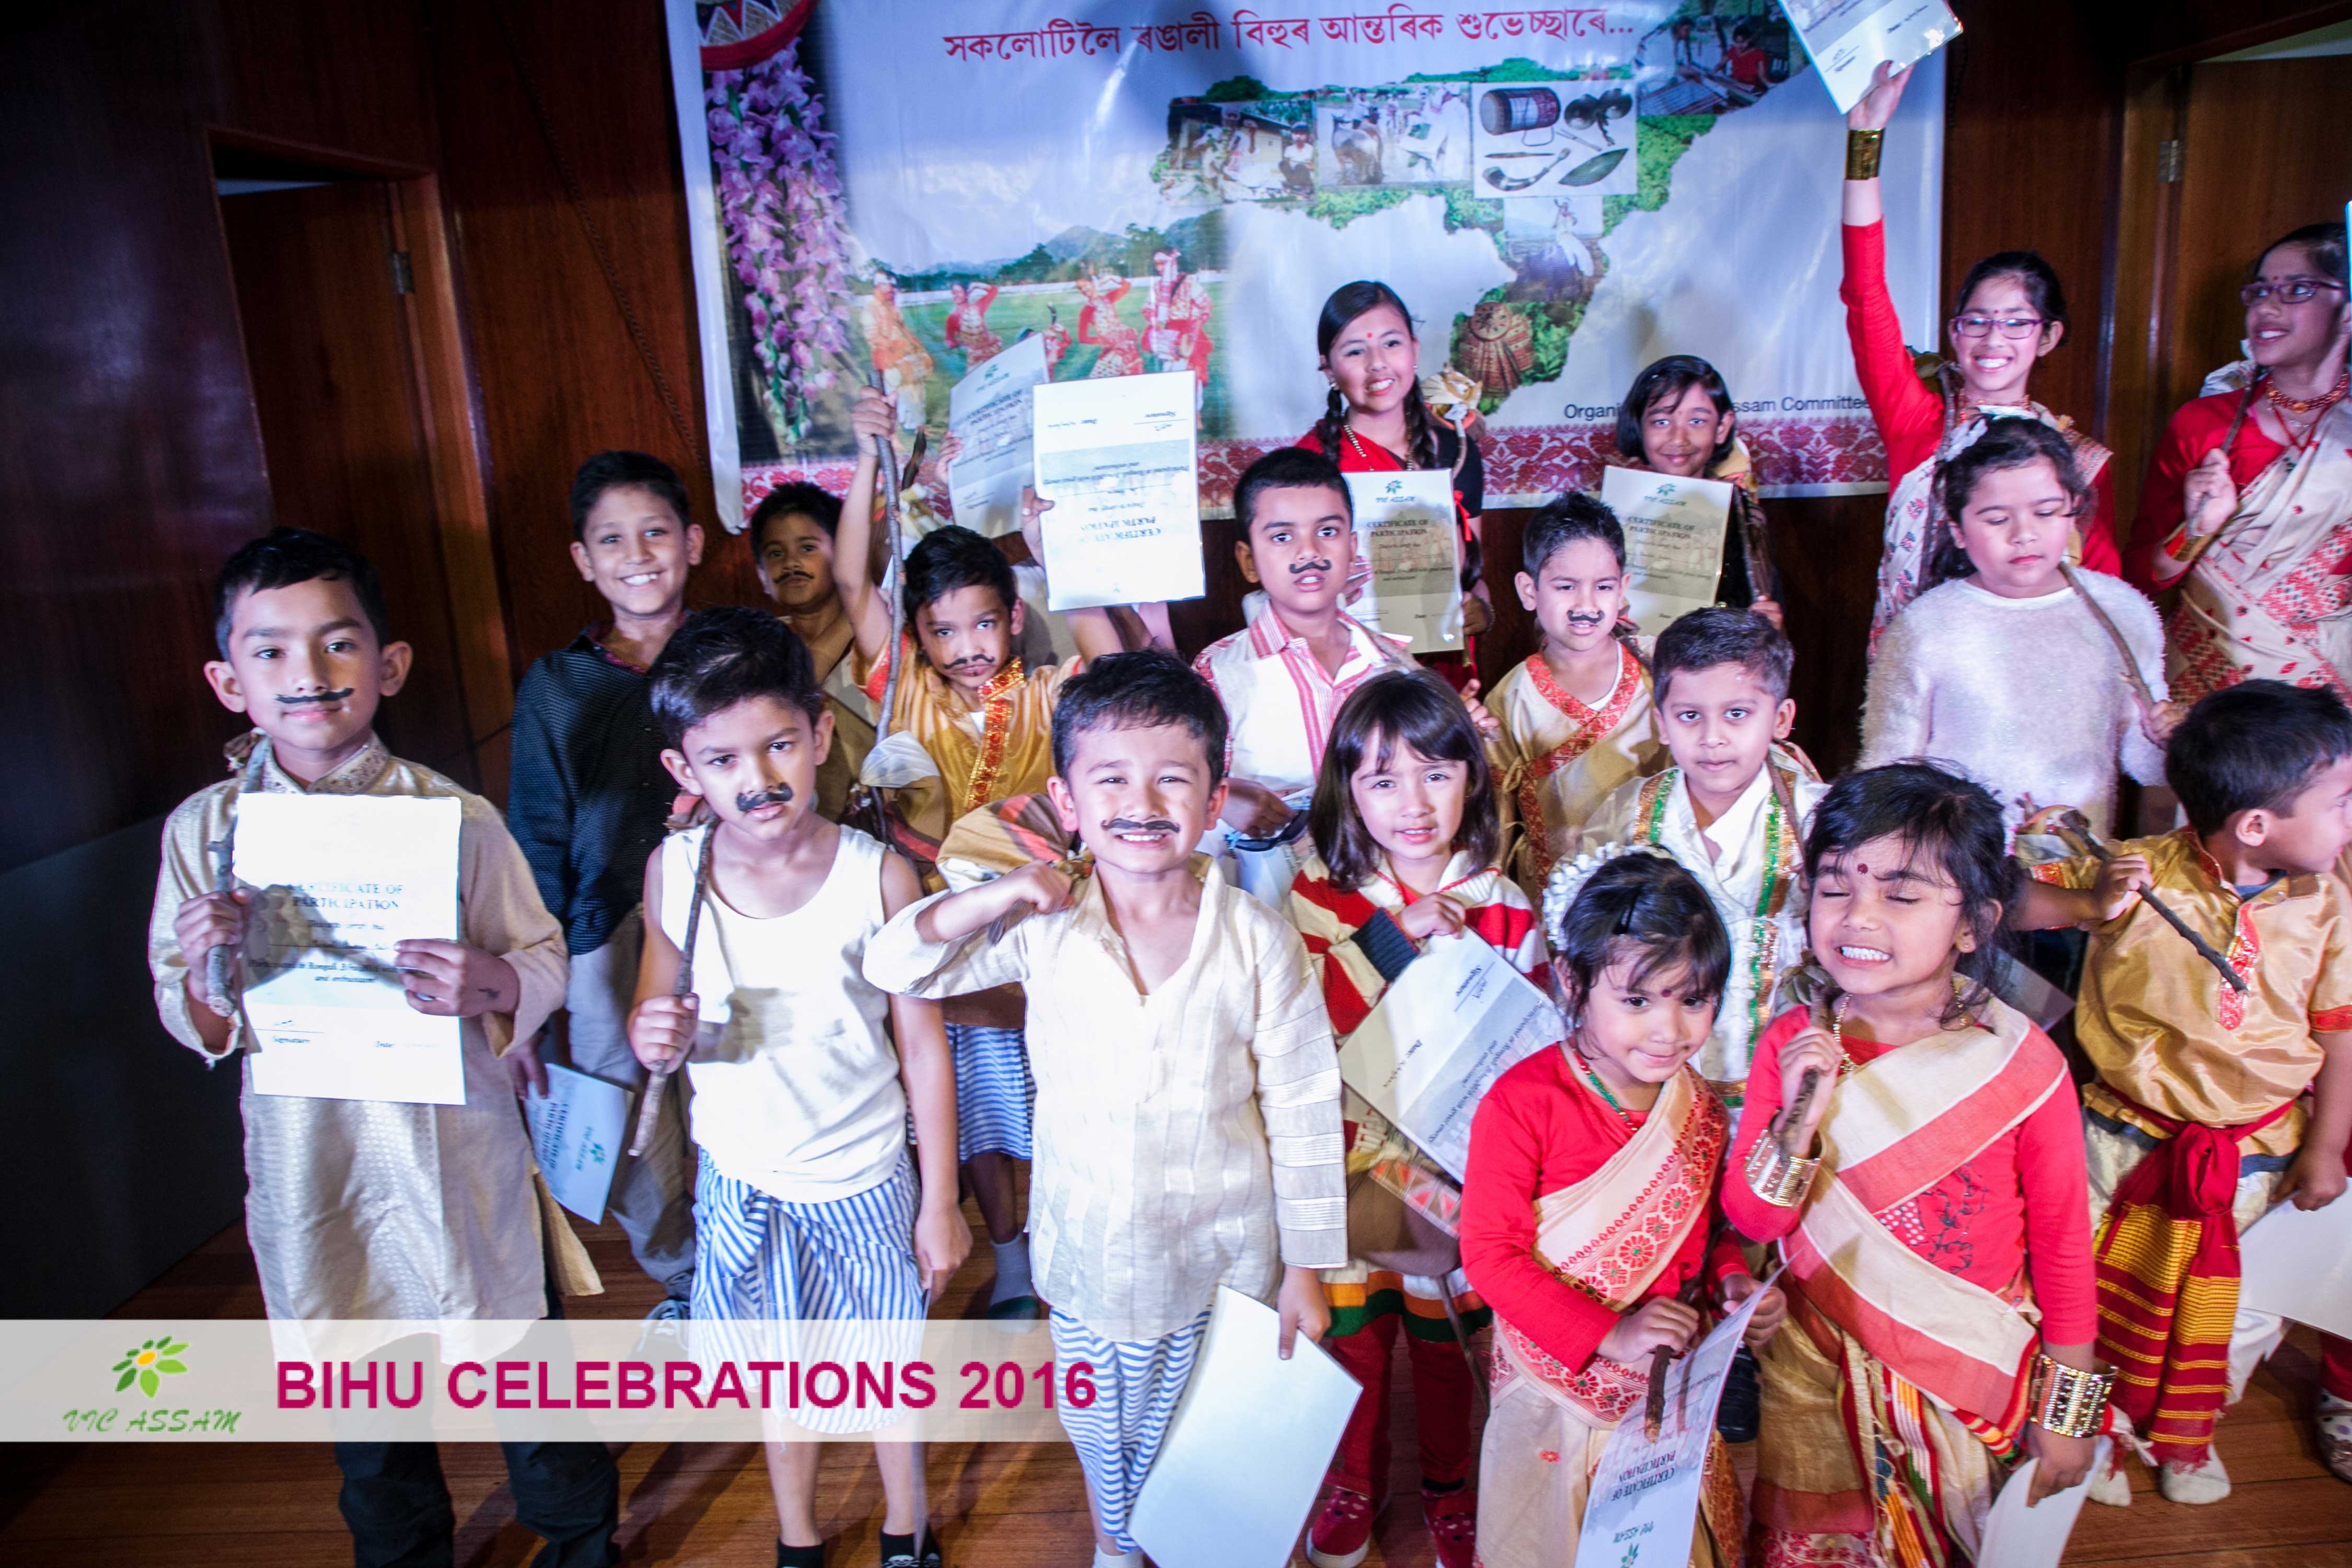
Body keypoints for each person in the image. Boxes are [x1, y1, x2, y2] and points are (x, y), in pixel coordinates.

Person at [153, 528, 617, 1566]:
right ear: (228, 681)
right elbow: (205, 1028)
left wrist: (489, 982)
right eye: (270, 650)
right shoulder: (206, 836)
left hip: (456, 1152)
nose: (308, 672)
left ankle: (582, 1541)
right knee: (365, 1398)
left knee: (524, 1373)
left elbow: (538, 958)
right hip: (313, 1161)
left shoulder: (452, 817)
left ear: (389, 663)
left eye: (338, 642)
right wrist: (203, 963)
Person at [863, 650, 1348, 1568]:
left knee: (1217, 1456)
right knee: (1106, 1443)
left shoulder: (1257, 940)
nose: (1142, 803)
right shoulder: (1044, 928)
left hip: (1226, 1266)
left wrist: (1307, 1269)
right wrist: (1002, 891)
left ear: (1216, 797)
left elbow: (1304, 1108)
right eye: (1112, 779)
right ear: (1067, 800)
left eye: (1174, 779)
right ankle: (1115, 1549)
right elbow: (894, 965)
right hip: (1090, 1262)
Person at [627, 608, 964, 1568]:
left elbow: (923, 1049)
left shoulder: (879, 877)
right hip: (743, 1176)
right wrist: (654, 1032)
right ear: (684, 770)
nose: (758, 778)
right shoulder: (674, 871)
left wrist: (941, 1200)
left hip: (863, 1176)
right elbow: (658, 1009)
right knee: (784, 1376)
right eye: (723, 759)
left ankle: (906, 1528)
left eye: (778, 745)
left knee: (887, 1370)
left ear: (819, 734)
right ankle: (798, 1537)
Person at [1728, 763, 2104, 1563]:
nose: (1858, 916)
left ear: (1974, 923)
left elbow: (2065, 1245)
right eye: (1836, 887)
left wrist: (2070, 1417)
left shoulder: (2021, 1063)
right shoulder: (1793, 1045)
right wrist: (1799, 1120)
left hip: (1965, 1367)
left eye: (1901, 896)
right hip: (1814, 1370)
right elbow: (1753, 1220)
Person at [2014, 679, 2352, 1504]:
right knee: (2088, 1294)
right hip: (2118, 1142)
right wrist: (2089, 901)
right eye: (2342, 803)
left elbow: (2340, 1035)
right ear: (2257, 826)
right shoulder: (2134, 872)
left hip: (2258, 1155)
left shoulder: (2329, 906)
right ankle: (2094, 1433)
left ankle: (2187, 1435)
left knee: (2241, 1312)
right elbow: (2008, 903)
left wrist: (2325, 1147)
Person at [834, 384, 1127, 1315]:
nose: (967, 645)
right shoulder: (904, 692)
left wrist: (1057, 554)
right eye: (943, 629)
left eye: (985, 623)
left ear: (1014, 616)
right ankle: (1010, 1261)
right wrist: (867, 461)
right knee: (979, 1117)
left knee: (1068, 1103)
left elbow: (1117, 673)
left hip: (1046, 933)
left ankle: (1075, 1253)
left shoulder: (1046, 693)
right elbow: (851, 584)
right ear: (915, 633)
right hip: (947, 937)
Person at [1285, 670, 1548, 1568]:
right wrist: (1397, 939)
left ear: (1473, 776)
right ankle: (1352, 1481)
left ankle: (1449, 1484)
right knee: (1354, 1342)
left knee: (1446, 1345)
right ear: (1347, 791)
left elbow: (1529, 1050)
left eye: (1438, 773)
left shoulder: (1504, 904)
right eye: (1383, 779)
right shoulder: (1318, 897)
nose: (1414, 804)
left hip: (1455, 1171)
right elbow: (1305, 1026)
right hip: (1348, 1162)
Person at [1461, 850, 1783, 1568]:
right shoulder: (1523, 1104)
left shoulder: (1700, 1108)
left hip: (1664, 1390)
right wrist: (1611, 1332)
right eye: (1638, 1002)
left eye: (1693, 1000)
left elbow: (1709, 1228)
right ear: (1573, 981)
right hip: (1554, 1390)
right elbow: (1488, 1257)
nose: (1670, 1030)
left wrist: (1732, 1281)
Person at [505, 452, 704, 1312]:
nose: (638, 553)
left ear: (693, 542)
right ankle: (686, 1278)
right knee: (624, 1114)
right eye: (612, 539)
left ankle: (752, 1267)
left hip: (735, 908)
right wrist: (531, 987)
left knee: (741, 1090)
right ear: (583, 560)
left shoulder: (731, 655)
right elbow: (538, 830)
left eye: (655, 531)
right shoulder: (557, 685)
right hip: (601, 928)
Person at [1840, 62, 2120, 648]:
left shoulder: (2078, 460)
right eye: (1977, 322)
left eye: (2017, 323)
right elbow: (1866, 293)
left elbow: (2105, 589)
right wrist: (1866, 139)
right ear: (1954, 331)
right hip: (1917, 664)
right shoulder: (1917, 420)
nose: (1994, 341)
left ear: (2048, 337)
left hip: (2028, 667)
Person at [1862, 418, 2175, 846]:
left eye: (2045, 513)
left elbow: (2146, 766)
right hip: (1960, 864)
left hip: (2080, 866)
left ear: (2073, 511)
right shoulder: (1926, 625)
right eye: (1996, 519)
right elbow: (1887, 770)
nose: (2024, 535)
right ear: (1958, 530)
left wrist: (2166, 739)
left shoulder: (2121, 611)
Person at [1576, 607, 1820, 1100]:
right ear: (1662, 724)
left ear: (1781, 718)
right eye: (1690, 716)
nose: (1712, 738)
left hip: (1779, 1076)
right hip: (1653, 1070)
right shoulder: (1628, 813)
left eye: (1737, 714)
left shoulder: (1816, 817)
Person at [2125, 223, 2351, 704]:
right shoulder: (2204, 425)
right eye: (2259, 292)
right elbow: (2141, 577)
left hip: (2328, 696)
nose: (2266, 308)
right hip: (2209, 696)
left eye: (2297, 290)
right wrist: (2197, 530)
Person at [1194, 446, 1415, 901]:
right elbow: (1178, 790)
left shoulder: (1395, 668)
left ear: (1352, 546)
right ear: (1248, 560)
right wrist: (1221, 797)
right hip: (1272, 915)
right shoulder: (1218, 675)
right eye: (1282, 537)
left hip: (1390, 912)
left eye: (1327, 532)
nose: (1309, 552)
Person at [1299, 280, 1490, 688]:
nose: (1378, 364)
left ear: (1415, 350)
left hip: (1442, 677)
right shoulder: (1307, 466)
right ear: (1328, 368)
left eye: (1391, 344)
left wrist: (1482, 611)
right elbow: (1288, 594)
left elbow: (1473, 579)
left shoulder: (1457, 453)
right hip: (1347, 677)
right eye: (1355, 351)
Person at [1486, 493, 1665, 897]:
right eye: (1566, 587)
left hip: (1651, 894)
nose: (1586, 604)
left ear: (1622, 590)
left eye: (1603, 587)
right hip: (1555, 900)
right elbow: (1495, 823)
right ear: (1529, 591)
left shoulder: (1658, 674)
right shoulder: (1511, 701)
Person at [1610, 353, 1781, 628]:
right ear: (1639, 426)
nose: (1679, 439)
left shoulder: (1744, 519)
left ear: (1722, 427)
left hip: (1718, 652)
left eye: (1697, 421)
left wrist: (1767, 625)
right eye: (1661, 422)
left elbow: (1762, 601)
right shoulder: (1608, 517)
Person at [749, 478, 876, 820]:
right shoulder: (757, 649)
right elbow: (790, 688)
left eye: (807, 548)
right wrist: (857, 611)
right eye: (776, 554)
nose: (791, 563)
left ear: (843, 556)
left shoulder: (878, 637)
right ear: (761, 575)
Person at [861, 273, 935, 430]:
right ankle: (899, 429)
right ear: (879, 286)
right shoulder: (870, 310)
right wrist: (898, 347)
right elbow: (874, 338)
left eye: (894, 287)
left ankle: (919, 424)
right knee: (898, 391)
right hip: (887, 358)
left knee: (918, 382)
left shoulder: (893, 308)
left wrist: (918, 347)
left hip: (903, 353)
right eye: (890, 286)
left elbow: (904, 330)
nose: (893, 290)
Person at [1076, 267, 1144, 379]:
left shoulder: (1108, 299)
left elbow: (1127, 286)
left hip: (1128, 348)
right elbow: (1082, 338)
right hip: (1111, 353)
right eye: (1080, 288)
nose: (1084, 290)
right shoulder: (1086, 311)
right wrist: (1104, 340)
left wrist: (1111, 278)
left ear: (1092, 283)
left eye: (1085, 285)